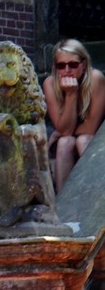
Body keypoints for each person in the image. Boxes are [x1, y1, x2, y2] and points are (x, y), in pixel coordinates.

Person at [43, 39, 105, 193]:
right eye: (61, 65)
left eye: (73, 64)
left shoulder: (95, 78)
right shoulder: (50, 83)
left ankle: (94, 198)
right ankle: (63, 205)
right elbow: (65, 132)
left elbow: (90, 129)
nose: (67, 70)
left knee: (82, 140)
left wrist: (59, 132)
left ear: (83, 65)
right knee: (64, 143)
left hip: (97, 139)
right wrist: (71, 95)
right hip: (71, 137)